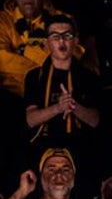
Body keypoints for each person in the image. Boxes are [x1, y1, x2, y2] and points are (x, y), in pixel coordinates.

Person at [23, 15, 100, 164]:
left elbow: (95, 120)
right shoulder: (34, 76)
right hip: (42, 146)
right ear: (46, 43)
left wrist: (74, 106)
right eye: (55, 36)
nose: (61, 41)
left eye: (67, 36)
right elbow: (30, 119)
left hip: (80, 147)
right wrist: (58, 107)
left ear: (76, 41)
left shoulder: (89, 77)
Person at [1, 0, 81, 97]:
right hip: (13, 99)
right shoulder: (3, 21)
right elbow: (2, 61)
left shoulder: (65, 20)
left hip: (57, 98)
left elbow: (71, 59)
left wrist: (23, 51)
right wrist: (47, 72)